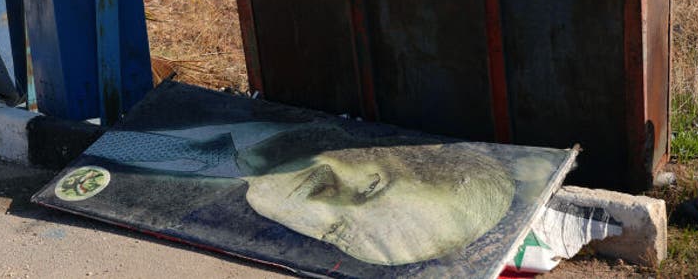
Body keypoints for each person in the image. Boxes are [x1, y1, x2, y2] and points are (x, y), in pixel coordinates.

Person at [71, 119, 518, 266]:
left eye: (341, 232)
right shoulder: (227, 119)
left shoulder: (184, 212)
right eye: (371, 187)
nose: (324, 201)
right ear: (396, 152)